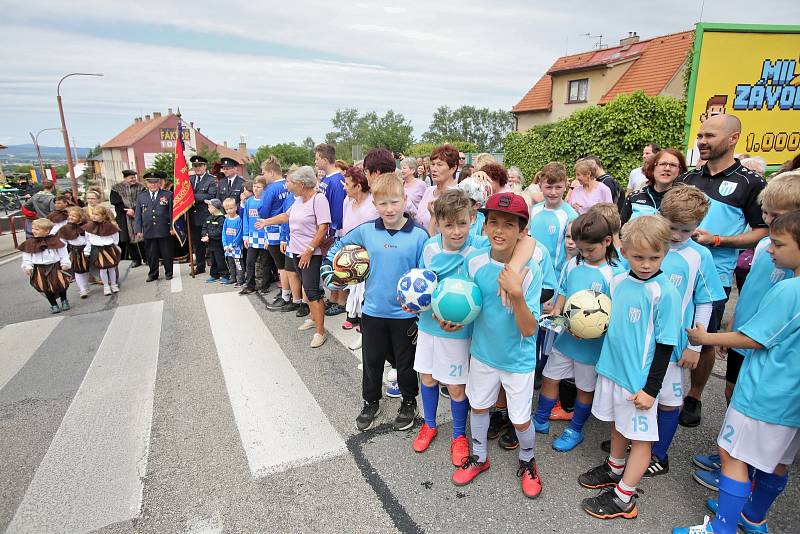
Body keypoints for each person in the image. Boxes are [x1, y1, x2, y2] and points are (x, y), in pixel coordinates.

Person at [676, 210, 800, 534]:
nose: (770, 249)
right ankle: (753, 517)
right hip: (790, 398)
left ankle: (722, 527)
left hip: (764, 393)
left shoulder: (791, 291)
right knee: (777, 460)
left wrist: (705, 338)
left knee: (731, 454)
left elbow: (754, 338)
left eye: (778, 244)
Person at [691, 170, 800, 492]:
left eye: (775, 216)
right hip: (746, 338)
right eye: (765, 213)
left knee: (746, 445)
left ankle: (737, 471)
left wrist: (706, 338)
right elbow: (751, 290)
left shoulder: (789, 283)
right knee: (730, 393)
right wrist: (734, 323)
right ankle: (737, 461)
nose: (766, 221)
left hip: (765, 365)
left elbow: (763, 333)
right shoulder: (772, 248)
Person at [577, 215, 681, 521]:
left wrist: (651, 390)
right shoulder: (617, 280)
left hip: (638, 382)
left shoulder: (665, 293)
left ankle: (624, 498)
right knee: (618, 426)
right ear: (623, 251)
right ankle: (614, 468)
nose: (646, 264)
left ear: (665, 253)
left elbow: (665, 345)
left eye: (654, 257)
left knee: (642, 439)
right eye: (638, 257)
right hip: (612, 370)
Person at [675, 114, 768, 428]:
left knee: (704, 339)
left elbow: (763, 230)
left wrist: (720, 240)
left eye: (709, 136)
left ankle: (695, 395)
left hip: (714, 278)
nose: (702, 141)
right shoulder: (688, 179)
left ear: (733, 139)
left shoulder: (751, 183)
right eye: (700, 135)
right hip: (678, 272)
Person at [452, 192, 544, 499]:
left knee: (519, 419)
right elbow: (469, 305)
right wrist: (452, 318)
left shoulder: (530, 272)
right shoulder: (476, 261)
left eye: (508, 224)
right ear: (484, 225)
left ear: (521, 231)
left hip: (517, 359)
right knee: (478, 406)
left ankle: (528, 461)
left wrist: (516, 294)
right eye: (493, 222)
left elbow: (530, 330)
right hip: (483, 354)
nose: (499, 230)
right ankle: (479, 456)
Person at [323, 174, 429, 431]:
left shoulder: (418, 236)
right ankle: (371, 401)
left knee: (405, 364)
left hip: (405, 316)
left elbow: (426, 275)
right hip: (372, 311)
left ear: (405, 200)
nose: (389, 209)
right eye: (382, 204)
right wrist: (331, 275)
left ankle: (408, 402)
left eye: (394, 202)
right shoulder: (366, 231)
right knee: (372, 361)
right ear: (375, 205)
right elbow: (336, 249)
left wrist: (421, 306)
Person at [644, 187, 725, 479]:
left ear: (697, 227)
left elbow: (705, 300)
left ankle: (659, 454)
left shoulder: (699, 255)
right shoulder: (648, 245)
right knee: (642, 394)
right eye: (672, 227)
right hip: (642, 339)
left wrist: (695, 345)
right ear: (658, 216)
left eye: (686, 230)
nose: (677, 235)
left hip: (674, 345)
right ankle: (640, 442)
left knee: (668, 400)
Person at [534, 211, 624, 453]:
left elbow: (615, 311)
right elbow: (563, 290)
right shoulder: (573, 263)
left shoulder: (616, 273)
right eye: (581, 250)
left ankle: (575, 429)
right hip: (565, 340)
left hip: (591, 347)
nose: (583, 254)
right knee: (551, 377)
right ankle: (540, 419)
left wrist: (594, 329)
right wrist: (558, 310)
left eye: (589, 250)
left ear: (607, 242)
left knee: (585, 388)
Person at [259, 166, 331, 349]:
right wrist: (267, 222)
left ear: (301, 184)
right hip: (295, 251)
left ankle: (320, 332)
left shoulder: (319, 199)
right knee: (307, 289)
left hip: (310, 254)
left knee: (313, 291)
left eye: (289, 181)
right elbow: (286, 216)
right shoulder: (298, 200)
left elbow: (323, 228)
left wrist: (309, 250)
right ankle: (313, 318)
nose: (286, 184)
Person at [340, 166, 379, 331]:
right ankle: (352, 314)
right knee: (353, 285)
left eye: (348, 184)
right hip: (350, 251)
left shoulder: (372, 203)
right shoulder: (347, 202)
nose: (344, 187)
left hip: (367, 253)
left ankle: (365, 319)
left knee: (365, 288)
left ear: (358, 185)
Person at [529, 162, 579, 274]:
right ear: (540, 185)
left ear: (565, 186)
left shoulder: (571, 216)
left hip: (555, 279)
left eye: (558, 187)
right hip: (532, 274)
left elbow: (573, 252)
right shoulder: (533, 210)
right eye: (548, 187)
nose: (553, 192)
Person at [256, 156, 291, 308]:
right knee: (288, 265)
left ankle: (285, 295)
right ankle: (289, 292)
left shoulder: (270, 189)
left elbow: (263, 212)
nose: (263, 176)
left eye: (263, 173)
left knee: (281, 266)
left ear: (271, 172)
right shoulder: (287, 184)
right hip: (288, 228)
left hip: (275, 230)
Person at [620, 148, 687, 225]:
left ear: (680, 171)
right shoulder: (634, 197)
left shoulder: (684, 201)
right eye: (662, 164)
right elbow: (620, 231)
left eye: (673, 165)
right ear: (653, 168)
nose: (667, 168)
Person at [19, 218, 71, 313]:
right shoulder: (30, 243)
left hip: (55, 266)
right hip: (40, 268)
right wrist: (28, 266)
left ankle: (64, 300)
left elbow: (63, 253)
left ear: (47, 231)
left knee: (60, 284)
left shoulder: (55, 240)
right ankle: (53, 304)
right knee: (45, 286)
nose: (33, 231)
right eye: (33, 228)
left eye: (37, 229)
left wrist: (65, 263)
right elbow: (27, 256)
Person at [135, 170, 174, 282]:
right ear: (147, 183)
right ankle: (153, 274)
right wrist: (138, 229)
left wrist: (172, 227)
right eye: (150, 182)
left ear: (159, 182)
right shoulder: (141, 196)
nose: (153, 185)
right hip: (149, 229)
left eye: (155, 182)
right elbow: (138, 214)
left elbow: (171, 212)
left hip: (164, 228)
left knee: (167, 252)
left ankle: (169, 272)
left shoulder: (167, 195)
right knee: (151, 254)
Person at [415, 144, 460, 231]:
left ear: (453, 169)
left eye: (439, 164)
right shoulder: (428, 191)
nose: (434, 169)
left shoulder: (458, 195)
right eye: (432, 164)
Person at [187, 155, 218, 274]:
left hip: (206, 215)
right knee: (197, 243)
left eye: (200, 165)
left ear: (205, 166)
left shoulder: (211, 179)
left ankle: (215, 267)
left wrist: (192, 197)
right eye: (195, 166)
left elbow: (210, 196)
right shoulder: (189, 180)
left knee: (211, 242)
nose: (197, 168)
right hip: (193, 216)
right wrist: (197, 197)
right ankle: (200, 266)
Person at [240, 177, 270, 295]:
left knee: (265, 262)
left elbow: (269, 219)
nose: (256, 189)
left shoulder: (266, 201)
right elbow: (246, 219)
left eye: (259, 187)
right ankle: (250, 285)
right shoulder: (249, 201)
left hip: (264, 236)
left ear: (264, 188)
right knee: (250, 261)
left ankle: (264, 285)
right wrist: (245, 235)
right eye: (254, 187)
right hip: (252, 236)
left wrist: (268, 237)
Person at [110, 169, 146, 268]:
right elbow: (116, 202)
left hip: (139, 213)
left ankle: (146, 257)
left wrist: (135, 210)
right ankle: (136, 259)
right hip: (124, 216)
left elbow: (144, 200)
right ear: (125, 178)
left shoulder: (141, 187)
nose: (133, 179)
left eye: (134, 177)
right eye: (131, 178)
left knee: (143, 237)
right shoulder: (116, 188)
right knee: (128, 239)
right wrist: (126, 210)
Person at [83, 206, 121, 296]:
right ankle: (106, 286)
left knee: (112, 268)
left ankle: (114, 284)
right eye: (93, 214)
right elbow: (88, 240)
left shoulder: (110, 226)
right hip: (97, 249)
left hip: (109, 248)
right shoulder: (89, 227)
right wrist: (87, 250)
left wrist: (115, 246)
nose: (94, 216)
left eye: (97, 215)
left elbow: (115, 236)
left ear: (103, 216)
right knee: (102, 269)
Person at [57, 207, 91, 298]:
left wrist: (88, 249)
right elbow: (62, 241)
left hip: (86, 250)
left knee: (86, 269)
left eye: (74, 216)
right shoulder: (65, 228)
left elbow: (89, 239)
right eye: (70, 215)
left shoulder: (86, 226)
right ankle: (82, 289)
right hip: (74, 251)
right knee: (77, 270)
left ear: (80, 217)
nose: (71, 217)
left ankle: (85, 285)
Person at [201, 198, 229, 283]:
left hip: (218, 244)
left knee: (220, 259)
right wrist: (205, 234)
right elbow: (204, 228)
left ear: (215, 208)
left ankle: (225, 275)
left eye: (209, 206)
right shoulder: (209, 218)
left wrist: (209, 236)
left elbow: (220, 232)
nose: (208, 208)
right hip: (211, 244)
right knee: (212, 260)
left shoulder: (221, 219)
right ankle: (214, 275)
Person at [221, 197, 245, 287]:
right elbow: (224, 233)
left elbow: (239, 234)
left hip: (236, 247)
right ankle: (233, 277)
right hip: (228, 248)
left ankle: (240, 279)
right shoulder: (227, 220)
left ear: (235, 207)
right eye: (226, 209)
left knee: (238, 263)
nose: (229, 211)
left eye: (231, 208)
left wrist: (233, 245)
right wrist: (225, 245)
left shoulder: (239, 220)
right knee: (230, 263)